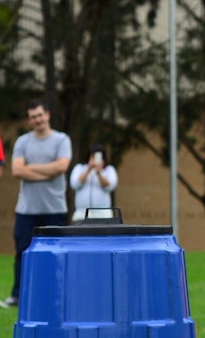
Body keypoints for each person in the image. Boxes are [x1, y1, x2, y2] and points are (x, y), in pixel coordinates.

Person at [5, 99, 72, 308]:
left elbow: (61, 167)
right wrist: (47, 171)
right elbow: (16, 171)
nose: (38, 120)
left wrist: (31, 169)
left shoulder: (61, 140)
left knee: (57, 254)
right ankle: (18, 295)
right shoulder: (23, 142)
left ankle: (58, 295)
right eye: (33, 117)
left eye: (40, 115)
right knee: (22, 252)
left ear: (48, 115)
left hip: (54, 209)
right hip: (27, 210)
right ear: (29, 120)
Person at [70, 144, 119, 222]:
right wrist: (88, 168)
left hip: (103, 215)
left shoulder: (109, 170)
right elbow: (75, 184)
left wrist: (99, 173)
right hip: (81, 214)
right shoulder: (79, 168)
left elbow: (110, 186)